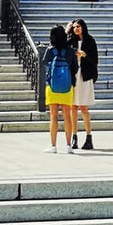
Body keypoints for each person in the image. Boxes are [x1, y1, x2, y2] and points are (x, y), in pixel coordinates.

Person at [42, 23, 78, 153]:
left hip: (52, 86)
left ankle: (53, 146)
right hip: (67, 86)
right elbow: (75, 68)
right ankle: (68, 146)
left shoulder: (50, 50)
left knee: (53, 116)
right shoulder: (70, 51)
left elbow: (44, 62)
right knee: (67, 116)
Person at [68, 18, 98, 150]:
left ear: (83, 27)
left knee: (84, 107)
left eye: (78, 26)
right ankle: (74, 137)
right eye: (74, 27)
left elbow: (95, 60)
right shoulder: (71, 41)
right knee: (73, 107)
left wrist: (84, 55)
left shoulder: (90, 40)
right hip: (73, 75)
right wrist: (66, 31)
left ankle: (89, 137)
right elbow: (60, 46)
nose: (76, 29)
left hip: (85, 76)